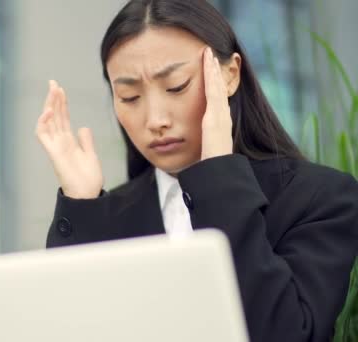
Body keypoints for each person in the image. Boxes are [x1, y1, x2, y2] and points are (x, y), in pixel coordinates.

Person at [34, 0, 358, 341]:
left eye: (176, 86)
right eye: (129, 97)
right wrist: (81, 206)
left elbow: (283, 333)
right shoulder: (107, 216)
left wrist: (217, 177)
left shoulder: (320, 197)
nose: (155, 119)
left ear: (230, 75)